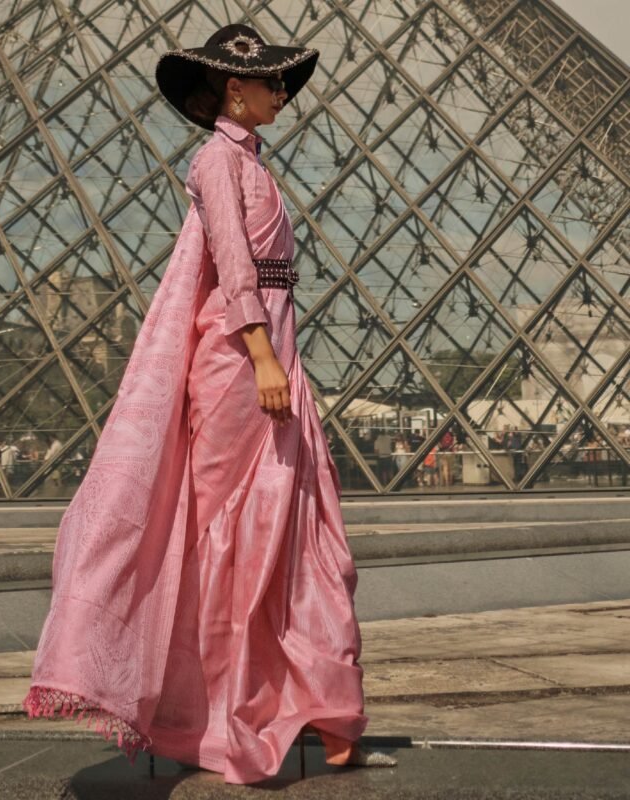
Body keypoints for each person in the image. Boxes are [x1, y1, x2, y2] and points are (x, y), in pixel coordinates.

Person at [21, 23, 395, 784]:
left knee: (299, 537)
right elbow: (233, 262)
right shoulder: (216, 161)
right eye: (273, 83)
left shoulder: (253, 162)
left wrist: (281, 361)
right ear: (235, 88)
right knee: (238, 542)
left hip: (271, 361)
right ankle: (233, 714)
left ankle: (318, 708)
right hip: (239, 366)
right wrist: (262, 357)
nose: (283, 94)